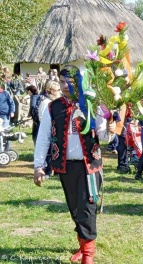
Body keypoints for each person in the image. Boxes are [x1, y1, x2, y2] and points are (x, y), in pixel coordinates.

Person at [33, 65, 114, 263]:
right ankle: (82, 245)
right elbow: (43, 137)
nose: (66, 85)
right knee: (75, 208)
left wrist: (110, 128)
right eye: (62, 82)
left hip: (89, 165)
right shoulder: (54, 107)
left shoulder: (92, 104)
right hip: (65, 166)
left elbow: (103, 137)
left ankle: (88, 255)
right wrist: (38, 166)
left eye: (70, 81)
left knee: (87, 207)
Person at [0, 82, 15, 151]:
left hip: (5, 116)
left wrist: (12, 111)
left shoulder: (5, 93)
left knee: (6, 133)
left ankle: (7, 149)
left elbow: (11, 103)